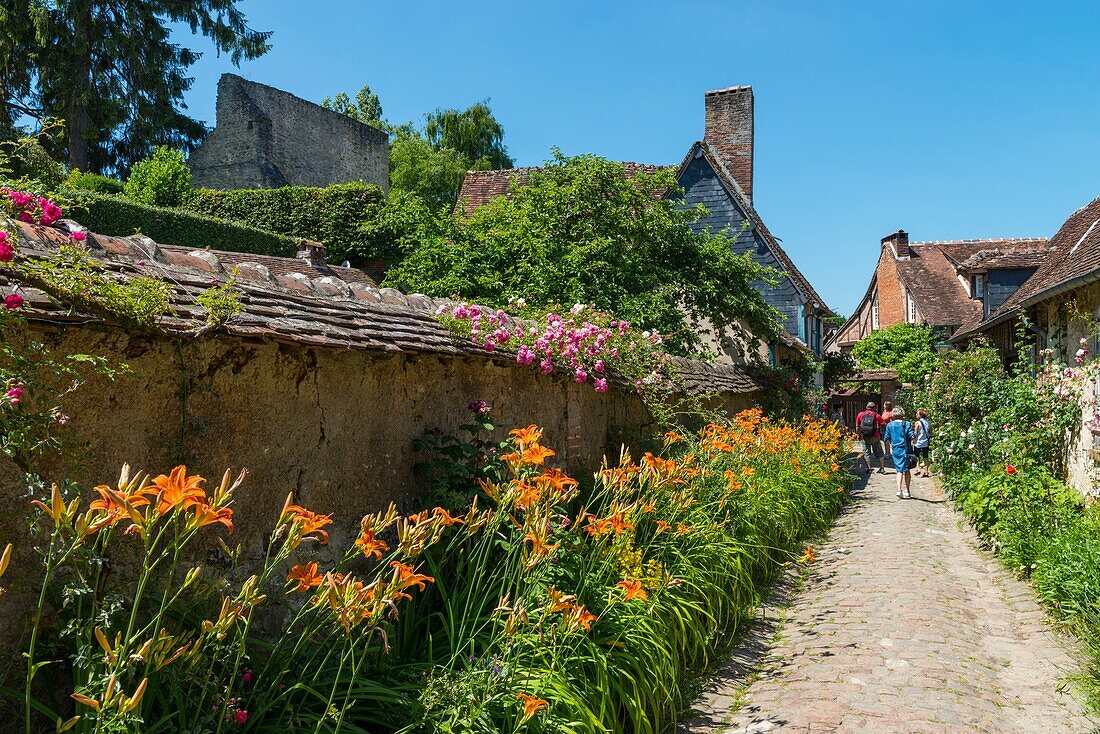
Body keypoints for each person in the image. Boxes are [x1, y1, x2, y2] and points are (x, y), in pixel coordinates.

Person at [883, 406, 916, 498]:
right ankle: (907, 491)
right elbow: (912, 436)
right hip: (907, 449)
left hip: (896, 450)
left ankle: (898, 490)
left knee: (899, 470)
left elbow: (886, 438)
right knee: (907, 470)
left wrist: (891, 445)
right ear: (902, 414)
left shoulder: (889, 425)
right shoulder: (907, 424)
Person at [855, 401, 885, 474]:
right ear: (874, 408)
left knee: (866, 452)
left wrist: (858, 435)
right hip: (875, 435)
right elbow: (882, 423)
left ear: (866, 407)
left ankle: (869, 468)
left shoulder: (860, 414)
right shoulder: (876, 415)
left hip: (865, 436)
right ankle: (881, 468)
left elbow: (857, 426)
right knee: (879, 451)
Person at [914, 408, 931, 477]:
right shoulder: (928, 422)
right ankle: (926, 470)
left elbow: (915, 433)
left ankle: (918, 469)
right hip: (925, 442)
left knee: (916, 456)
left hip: (918, 442)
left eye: (917, 414)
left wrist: (913, 439)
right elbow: (930, 432)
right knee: (925, 456)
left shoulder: (917, 423)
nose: (916, 415)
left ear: (920, 415)